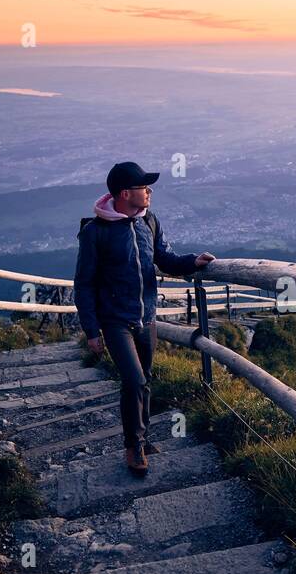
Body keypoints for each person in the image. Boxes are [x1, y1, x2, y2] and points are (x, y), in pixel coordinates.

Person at [73, 162, 215, 475]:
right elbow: (84, 284)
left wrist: (194, 261)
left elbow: (164, 259)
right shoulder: (95, 232)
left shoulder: (148, 222)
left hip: (146, 317)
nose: (149, 191)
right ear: (125, 193)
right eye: (143, 187)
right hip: (115, 320)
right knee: (134, 380)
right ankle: (133, 446)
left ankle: (144, 437)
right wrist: (92, 330)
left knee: (146, 380)